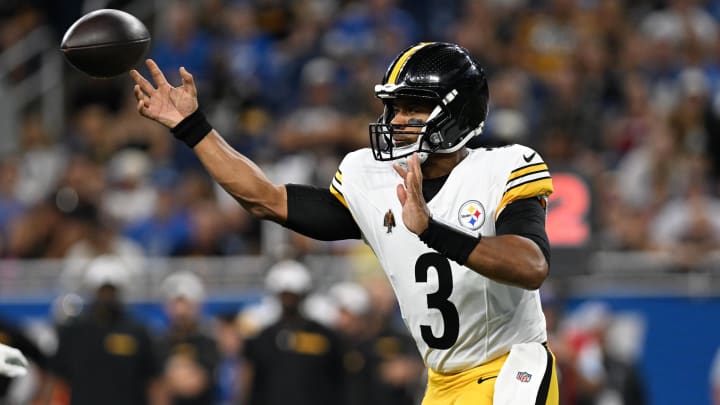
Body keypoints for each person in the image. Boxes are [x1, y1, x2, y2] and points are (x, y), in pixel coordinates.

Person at [131, 41, 559, 404]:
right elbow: (264, 199)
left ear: (458, 114)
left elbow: (531, 266)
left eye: (413, 109)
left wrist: (431, 229)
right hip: (444, 382)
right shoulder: (368, 179)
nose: (395, 122)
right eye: (394, 109)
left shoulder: (504, 167)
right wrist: (192, 127)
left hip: (512, 365)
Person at [50, 255, 165, 405]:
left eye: (111, 291)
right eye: (102, 290)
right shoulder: (73, 331)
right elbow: (57, 380)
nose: (106, 297)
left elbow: (154, 381)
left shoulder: (137, 331)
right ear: (93, 290)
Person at [240, 260, 345, 405]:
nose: (289, 300)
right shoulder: (262, 337)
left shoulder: (325, 336)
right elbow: (249, 378)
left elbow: (338, 377)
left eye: (294, 295)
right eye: (285, 295)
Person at [157, 270, 219, 405]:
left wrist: (173, 377)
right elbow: (157, 387)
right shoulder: (158, 342)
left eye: (186, 304)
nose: (181, 310)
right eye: (175, 303)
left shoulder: (209, 341)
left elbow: (195, 384)